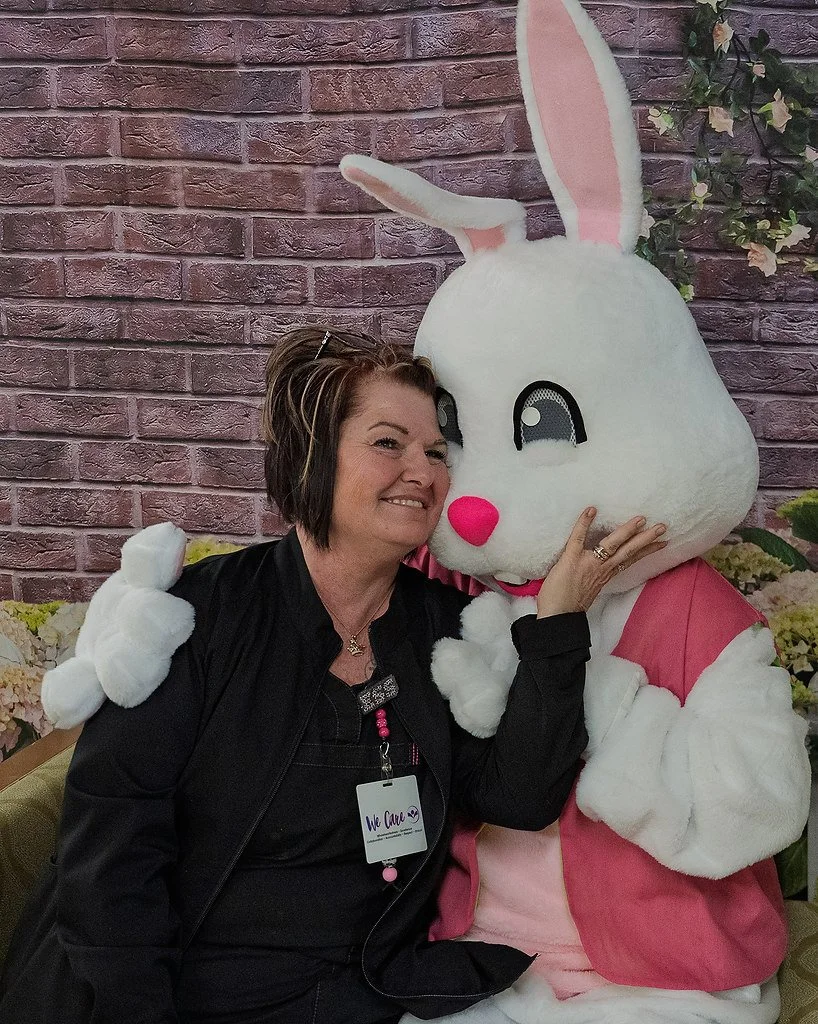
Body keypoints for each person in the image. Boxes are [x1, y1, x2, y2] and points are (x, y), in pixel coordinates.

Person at [0, 327, 666, 1024]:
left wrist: (558, 625)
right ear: (312, 455)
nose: (423, 471)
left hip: (364, 993)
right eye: (389, 443)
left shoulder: (443, 625)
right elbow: (113, 852)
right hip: (181, 989)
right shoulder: (197, 615)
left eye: (436, 452)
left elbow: (518, 796)